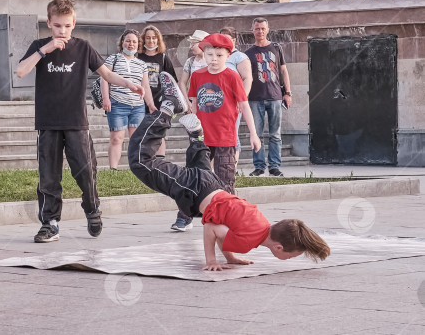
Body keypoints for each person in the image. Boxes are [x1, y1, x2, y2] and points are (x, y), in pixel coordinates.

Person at [126, 86, 330, 271]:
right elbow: (212, 229)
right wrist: (211, 260)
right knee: (141, 162)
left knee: (199, 164)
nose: (291, 259)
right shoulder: (249, 242)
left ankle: (197, 138)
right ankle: (167, 108)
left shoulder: (261, 224)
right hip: (195, 190)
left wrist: (230, 257)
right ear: (279, 247)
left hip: (213, 185)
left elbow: (227, 233)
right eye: (292, 255)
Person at [16, 0, 145, 243]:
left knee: (85, 171)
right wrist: (45, 50)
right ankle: (50, 223)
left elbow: (106, 73)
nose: (62, 31)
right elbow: (21, 70)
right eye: (57, 26)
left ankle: (92, 208)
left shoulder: (83, 47)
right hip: (48, 122)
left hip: (76, 121)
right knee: (49, 176)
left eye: (66, 26)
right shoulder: (39, 46)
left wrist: (128, 83)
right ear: (49, 24)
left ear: (73, 24)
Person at [188, 33, 261, 191]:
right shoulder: (196, 76)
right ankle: (186, 215)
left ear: (228, 56)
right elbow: (194, 104)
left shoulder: (232, 77)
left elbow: (244, 106)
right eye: (209, 55)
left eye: (219, 55)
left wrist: (253, 134)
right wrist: (194, 129)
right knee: (196, 180)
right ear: (204, 55)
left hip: (225, 139)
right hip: (203, 138)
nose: (214, 59)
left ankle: (227, 214)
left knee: (226, 182)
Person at [100, 29, 155, 170]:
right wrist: (106, 98)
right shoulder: (113, 58)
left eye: (134, 42)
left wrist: (150, 104)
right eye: (128, 41)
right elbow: (104, 78)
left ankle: (136, 169)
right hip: (117, 104)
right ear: (122, 42)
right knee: (116, 138)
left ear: (138, 44)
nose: (131, 44)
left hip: (137, 106)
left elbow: (146, 86)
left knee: (136, 140)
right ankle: (113, 169)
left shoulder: (142, 64)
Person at [245, 17, 292, 177]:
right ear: (252, 30)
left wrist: (288, 92)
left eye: (263, 28)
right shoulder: (248, 54)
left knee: (275, 135)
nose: (260, 31)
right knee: (256, 134)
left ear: (268, 29)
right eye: (257, 28)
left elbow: (284, 71)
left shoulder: (276, 48)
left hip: (275, 97)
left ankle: (274, 166)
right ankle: (259, 166)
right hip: (255, 98)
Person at [171, 28, 208, 231]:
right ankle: (186, 215)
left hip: (215, 118)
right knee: (196, 160)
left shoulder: (217, 63)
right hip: (196, 114)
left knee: (208, 165)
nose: (192, 45)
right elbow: (182, 83)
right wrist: (187, 102)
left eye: (195, 42)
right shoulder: (191, 63)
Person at [137, 25, 177, 159]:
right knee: (142, 130)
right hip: (140, 100)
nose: (151, 41)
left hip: (159, 100)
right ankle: (143, 158)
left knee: (158, 131)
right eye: (148, 38)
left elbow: (172, 80)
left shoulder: (163, 58)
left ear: (158, 40)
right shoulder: (138, 57)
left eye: (154, 38)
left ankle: (160, 160)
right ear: (143, 40)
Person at [219, 27, 253, 160]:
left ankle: (232, 167)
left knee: (232, 133)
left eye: (226, 39)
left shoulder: (239, 57)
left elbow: (247, 78)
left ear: (234, 40)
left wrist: (241, 99)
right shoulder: (218, 55)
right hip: (217, 101)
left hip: (233, 102)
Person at [178, 29, 209, 109]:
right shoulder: (190, 61)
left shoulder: (212, 61)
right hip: (193, 101)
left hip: (210, 101)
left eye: (193, 44)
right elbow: (182, 82)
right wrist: (187, 102)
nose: (190, 47)